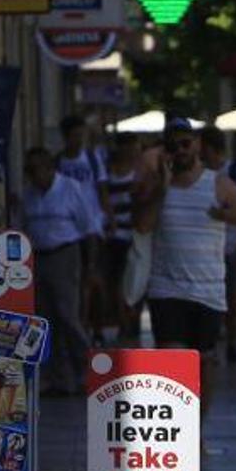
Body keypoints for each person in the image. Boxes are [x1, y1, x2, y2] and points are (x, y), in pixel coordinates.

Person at [143, 118, 236, 412]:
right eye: (172, 145)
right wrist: (162, 188)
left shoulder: (218, 183)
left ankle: (196, 430)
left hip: (208, 290)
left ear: (197, 145)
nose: (179, 150)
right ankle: (177, 428)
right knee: (172, 361)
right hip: (166, 288)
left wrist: (227, 216)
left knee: (204, 361)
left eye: (185, 143)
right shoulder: (156, 184)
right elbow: (142, 225)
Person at [15, 147, 100, 396]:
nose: (32, 176)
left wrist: (91, 266)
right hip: (38, 257)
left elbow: (89, 228)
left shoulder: (71, 189)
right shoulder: (28, 195)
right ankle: (59, 378)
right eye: (28, 171)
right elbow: (21, 225)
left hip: (65, 253)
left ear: (50, 168)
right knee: (46, 318)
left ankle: (88, 368)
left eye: (36, 170)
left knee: (67, 314)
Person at [198, 126, 236, 363]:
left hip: (232, 247)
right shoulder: (198, 174)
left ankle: (232, 341)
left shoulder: (235, 172)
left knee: (232, 297)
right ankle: (215, 339)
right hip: (206, 248)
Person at [57, 114, 110, 344]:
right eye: (75, 136)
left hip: (92, 225)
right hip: (69, 227)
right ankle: (82, 324)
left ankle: (96, 325)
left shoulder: (91, 158)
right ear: (65, 137)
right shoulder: (58, 162)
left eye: (82, 135)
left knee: (93, 276)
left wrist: (108, 217)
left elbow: (102, 188)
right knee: (75, 279)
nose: (79, 140)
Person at [101, 132, 142, 343]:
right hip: (112, 234)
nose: (133, 150)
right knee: (115, 282)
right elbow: (103, 197)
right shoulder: (107, 170)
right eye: (129, 146)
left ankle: (129, 321)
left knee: (131, 282)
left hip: (134, 233)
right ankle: (122, 322)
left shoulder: (140, 171)